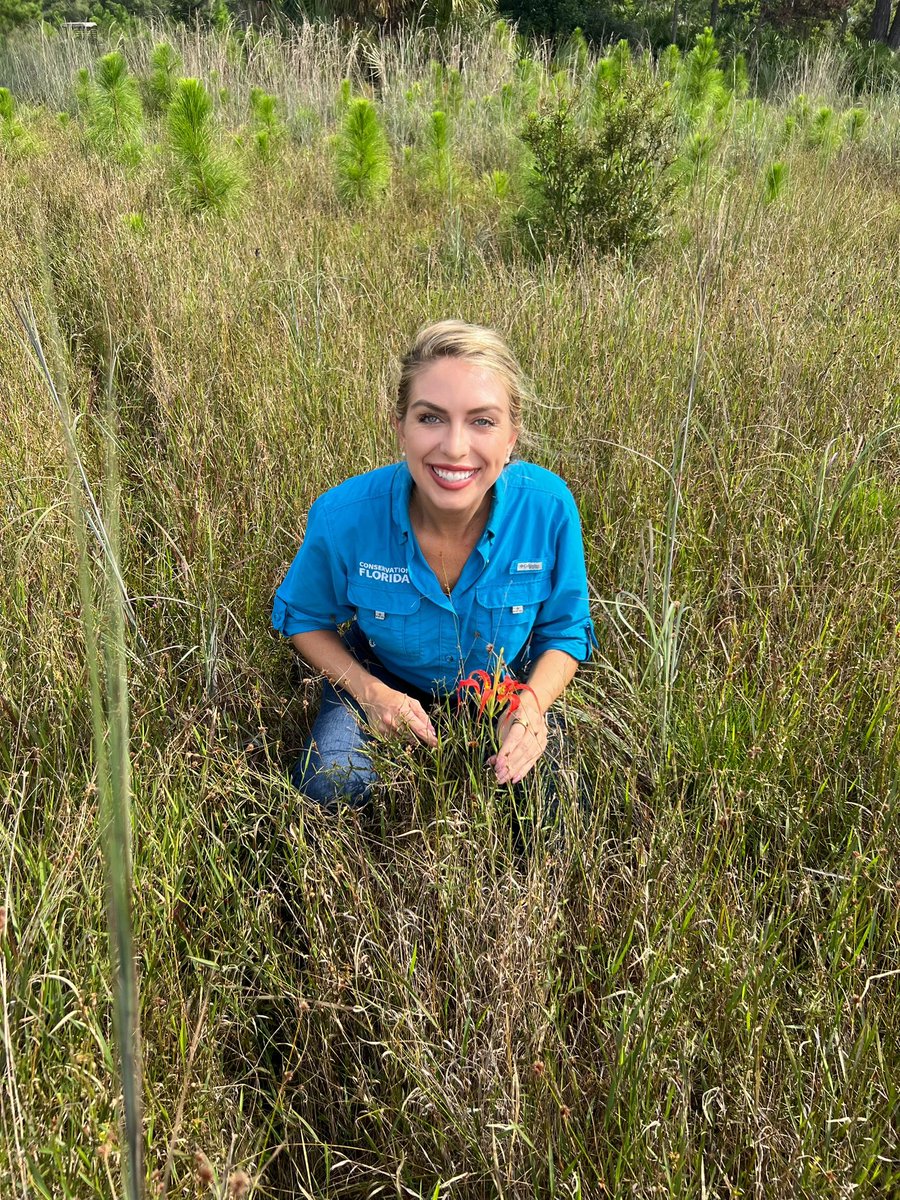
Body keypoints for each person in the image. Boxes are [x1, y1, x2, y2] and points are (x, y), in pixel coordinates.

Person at [272, 320, 596, 810]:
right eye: (431, 418)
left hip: (505, 675)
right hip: (383, 667)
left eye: (482, 421)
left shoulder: (548, 508)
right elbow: (303, 618)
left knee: (559, 805)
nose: (455, 447)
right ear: (399, 425)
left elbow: (566, 631)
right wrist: (371, 692)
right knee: (328, 787)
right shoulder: (344, 516)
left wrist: (530, 704)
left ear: (512, 436)